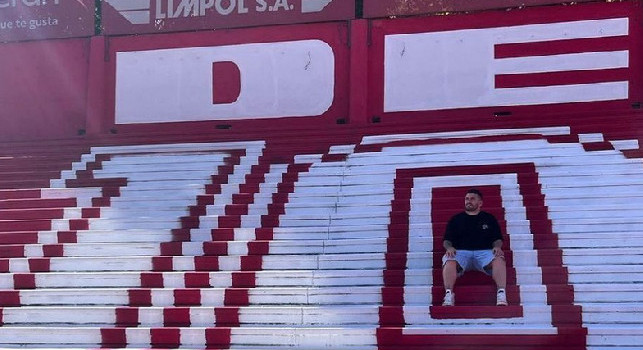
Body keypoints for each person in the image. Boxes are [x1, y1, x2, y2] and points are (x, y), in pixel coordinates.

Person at [441, 188, 508, 306]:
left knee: (499, 258)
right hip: (461, 253)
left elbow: (497, 239)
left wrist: (497, 247)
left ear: (480, 203)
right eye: (467, 199)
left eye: (472, 199)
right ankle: (448, 294)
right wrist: (449, 248)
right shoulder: (456, 219)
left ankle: (501, 293)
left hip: (484, 252)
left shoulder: (489, 218)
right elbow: (447, 240)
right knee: (449, 259)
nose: (468, 201)